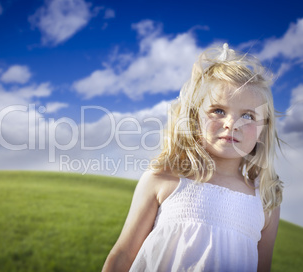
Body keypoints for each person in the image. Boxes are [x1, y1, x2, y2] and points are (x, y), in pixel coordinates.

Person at [102, 43, 283, 272]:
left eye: (247, 115)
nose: (231, 124)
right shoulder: (164, 177)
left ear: (263, 129)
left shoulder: (265, 200)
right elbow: (123, 255)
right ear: (195, 117)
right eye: (218, 111)